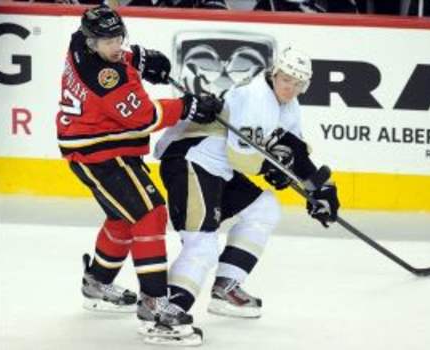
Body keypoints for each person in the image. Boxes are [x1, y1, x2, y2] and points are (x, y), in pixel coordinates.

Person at [56, 5, 222, 346]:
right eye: (107, 42)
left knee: (124, 218)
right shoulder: (106, 78)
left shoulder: (80, 41)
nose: (115, 46)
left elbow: (120, 59)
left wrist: (139, 58)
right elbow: (144, 117)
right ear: (91, 42)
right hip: (99, 154)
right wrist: (189, 107)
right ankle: (154, 307)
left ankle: (97, 282)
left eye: (119, 37)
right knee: (150, 213)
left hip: (104, 146)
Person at [154, 47, 340, 326]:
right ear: (274, 73)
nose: (291, 88)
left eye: (298, 83)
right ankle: (166, 315)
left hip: (218, 168)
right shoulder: (255, 97)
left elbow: (294, 151)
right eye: (286, 79)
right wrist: (273, 170)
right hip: (191, 161)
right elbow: (241, 158)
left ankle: (225, 287)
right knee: (202, 245)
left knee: (264, 210)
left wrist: (321, 188)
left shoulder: (287, 104)